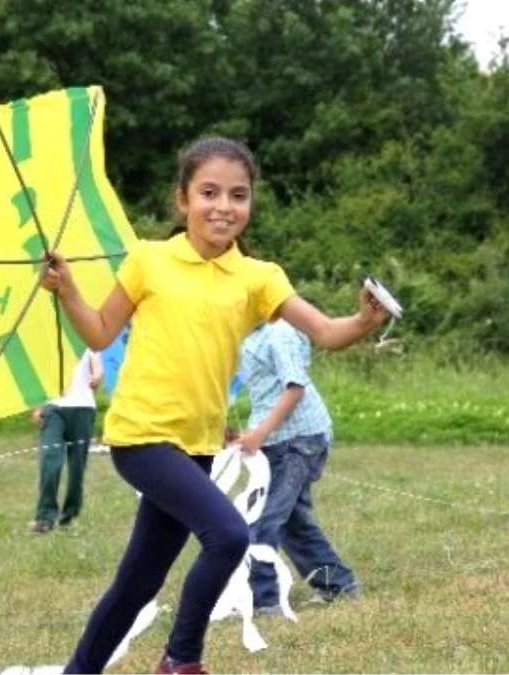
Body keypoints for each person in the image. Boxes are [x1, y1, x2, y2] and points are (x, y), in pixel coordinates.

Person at [39, 136, 389, 675]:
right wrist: (67, 292)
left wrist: (363, 321)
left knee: (138, 583)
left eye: (238, 195)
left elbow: (324, 331)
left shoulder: (259, 277)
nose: (224, 206)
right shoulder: (148, 259)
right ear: (182, 200)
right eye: (209, 192)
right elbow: (102, 332)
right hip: (140, 436)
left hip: (198, 442)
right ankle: (181, 660)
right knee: (228, 535)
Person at [236, 320, 360, 615]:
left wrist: (259, 434)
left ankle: (264, 599)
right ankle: (337, 583)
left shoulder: (279, 333)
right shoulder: (245, 334)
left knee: (264, 518)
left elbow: (295, 388)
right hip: (277, 439)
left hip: (300, 440)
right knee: (292, 520)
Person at [32, 349, 103, 533]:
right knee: (50, 459)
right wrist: (38, 407)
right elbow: (38, 380)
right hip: (53, 409)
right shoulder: (47, 342)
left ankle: (69, 515)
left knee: (77, 466)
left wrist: (97, 377)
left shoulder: (88, 345)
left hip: (83, 409)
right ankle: (45, 517)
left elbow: (98, 369)